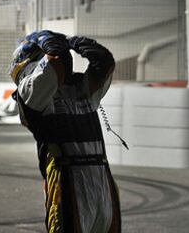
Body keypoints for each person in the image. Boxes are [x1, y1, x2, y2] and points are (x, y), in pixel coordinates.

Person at [9, 30, 121, 232]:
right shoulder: (27, 92)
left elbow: (105, 62)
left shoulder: (79, 86)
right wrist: (49, 41)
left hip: (101, 180)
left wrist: (76, 42)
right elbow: (55, 65)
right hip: (67, 181)